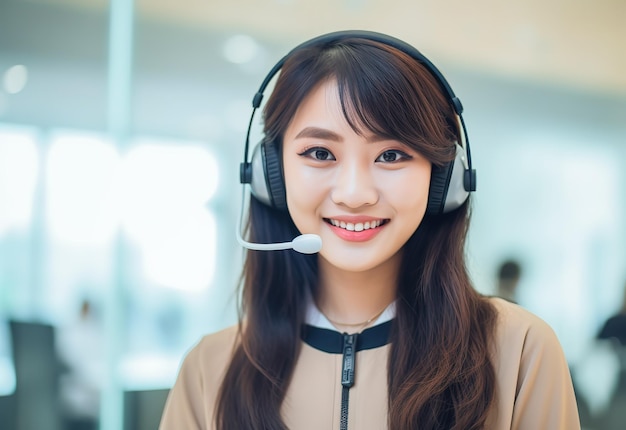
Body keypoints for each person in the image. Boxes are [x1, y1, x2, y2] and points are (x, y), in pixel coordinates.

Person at [159, 30, 580, 429]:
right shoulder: (208, 370)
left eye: (392, 155)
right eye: (320, 153)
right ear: (271, 174)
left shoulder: (520, 349)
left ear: (444, 181)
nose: (355, 194)